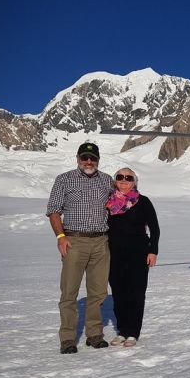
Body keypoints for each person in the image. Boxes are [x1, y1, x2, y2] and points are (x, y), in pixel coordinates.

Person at [46, 142, 114, 354]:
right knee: (69, 292)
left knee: (99, 291)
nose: (88, 162)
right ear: (77, 158)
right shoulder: (64, 180)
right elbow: (54, 211)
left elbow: (120, 204)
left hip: (101, 242)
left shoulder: (107, 180)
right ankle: (67, 338)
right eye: (85, 157)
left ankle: (94, 334)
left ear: (98, 160)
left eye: (92, 158)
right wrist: (60, 236)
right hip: (74, 241)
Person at [106, 167, 160, 348]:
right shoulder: (108, 202)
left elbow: (155, 228)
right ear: (115, 180)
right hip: (114, 254)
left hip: (139, 254)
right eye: (120, 177)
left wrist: (153, 251)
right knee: (119, 292)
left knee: (136, 293)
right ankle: (122, 330)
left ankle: (133, 332)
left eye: (128, 178)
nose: (124, 180)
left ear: (134, 181)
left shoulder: (143, 202)